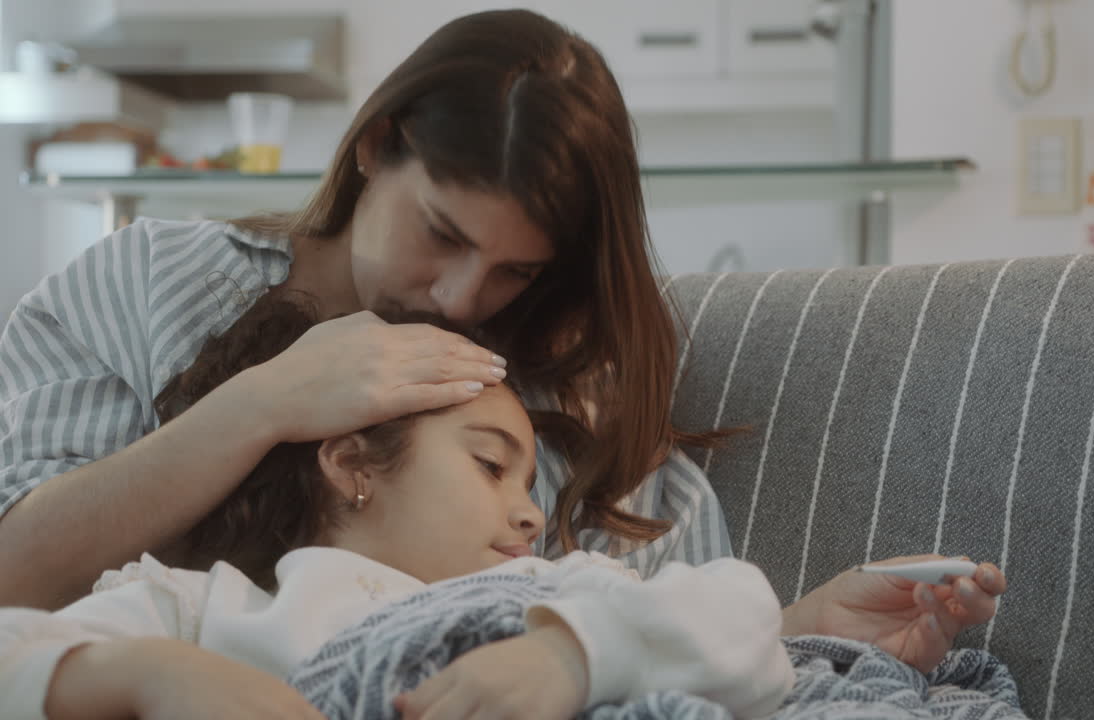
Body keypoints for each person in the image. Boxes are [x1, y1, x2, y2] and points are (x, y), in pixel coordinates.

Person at [0, 7, 999, 655]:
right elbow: (14, 584)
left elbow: (664, 644)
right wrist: (260, 406)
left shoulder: (560, 399)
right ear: (377, 147)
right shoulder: (148, 285)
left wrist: (808, 630)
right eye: (442, 233)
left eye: (516, 269)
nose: (460, 298)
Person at [0, 293, 1006, 720]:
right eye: (491, 467)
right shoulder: (201, 608)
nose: (530, 517)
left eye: (531, 489)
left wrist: (572, 658)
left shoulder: (557, 594)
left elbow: (729, 607)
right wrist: (152, 672)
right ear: (351, 462)